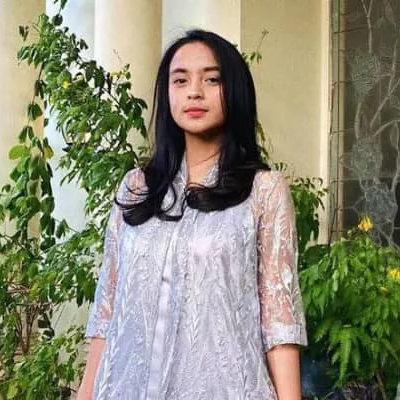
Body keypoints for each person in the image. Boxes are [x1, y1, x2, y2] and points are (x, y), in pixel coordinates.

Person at [76, 29, 306, 400]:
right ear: (167, 93)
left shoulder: (264, 191)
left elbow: (280, 321)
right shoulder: (136, 187)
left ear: (235, 90)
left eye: (212, 79)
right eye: (180, 80)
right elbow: (107, 311)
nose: (194, 92)